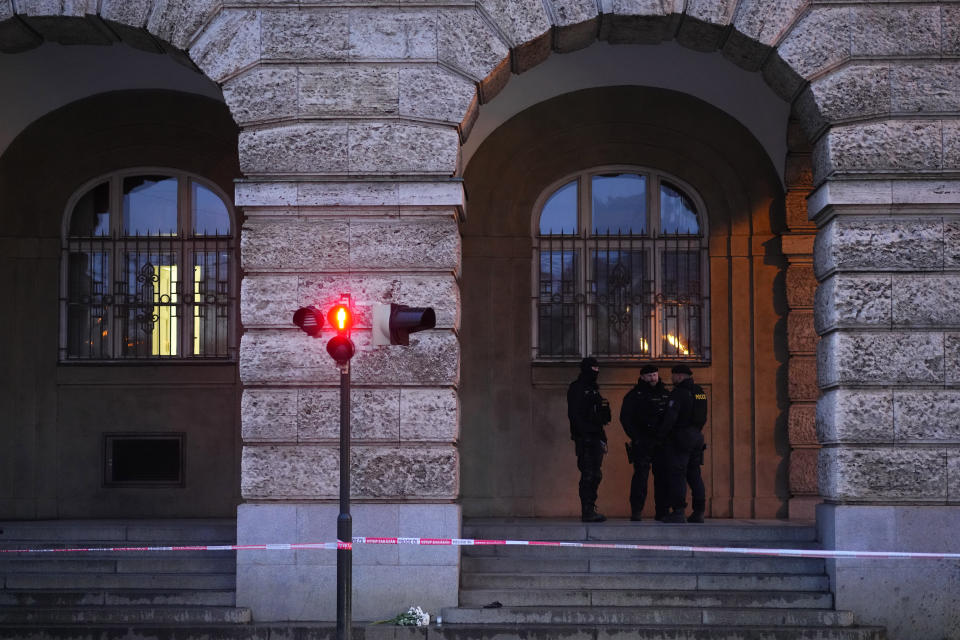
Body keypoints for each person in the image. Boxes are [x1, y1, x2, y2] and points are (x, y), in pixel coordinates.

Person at [658, 364, 708, 524]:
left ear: (680, 376)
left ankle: (679, 511)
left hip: (681, 437)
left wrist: (660, 435)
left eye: (673, 375)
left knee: (677, 474)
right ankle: (699, 511)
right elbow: (703, 414)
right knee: (694, 473)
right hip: (697, 436)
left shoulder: (678, 394)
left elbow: (670, 418)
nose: (672, 378)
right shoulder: (700, 392)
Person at [619, 364, 669, 521]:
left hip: (661, 442)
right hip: (643, 442)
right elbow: (625, 419)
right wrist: (637, 437)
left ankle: (662, 511)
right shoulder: (634, 396)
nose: (653, 378)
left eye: (655, 375)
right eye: (649, 375)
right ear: (642, 377)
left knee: (662, 477)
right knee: (640, 477)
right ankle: (637, 511)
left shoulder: (666, 394)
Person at [567, 357, 611, 523]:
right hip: (585, 438)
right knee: (589, 474)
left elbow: (600, 415)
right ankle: (587, 509)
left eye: (597, 369)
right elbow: (575, 415)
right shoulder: (577, 389)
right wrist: (584, 433)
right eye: (593, 369)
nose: (596, 372)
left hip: (596, 436)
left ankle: (590, 507)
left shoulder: (594, 389)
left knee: (596, 475)